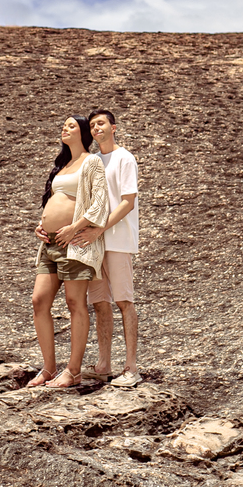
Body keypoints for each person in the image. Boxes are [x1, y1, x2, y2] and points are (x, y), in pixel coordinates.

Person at [27, 116, 110, 389]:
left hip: (75, 244)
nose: (65, 128)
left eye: (71, 125)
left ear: (83, 132)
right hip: (50, 243)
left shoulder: (91, 161)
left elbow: (99, 203)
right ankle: (49, 368)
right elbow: (54, 202)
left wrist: (74, 227)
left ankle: (73, 371)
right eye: (63, 125)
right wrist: (42, 225)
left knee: (75, 304)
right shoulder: (62, 166)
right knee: (39, 301)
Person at [75, 110, 141, 388]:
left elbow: (128, 201)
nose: (95, 128)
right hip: (94, 243)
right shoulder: (92, 161)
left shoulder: (125, 158)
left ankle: (132, 368)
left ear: (113, 127)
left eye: (100, 123)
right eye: (91, 125)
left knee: (124, 301)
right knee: (99, 303)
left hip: (116, 240)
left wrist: (101, 228)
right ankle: (103, 365)